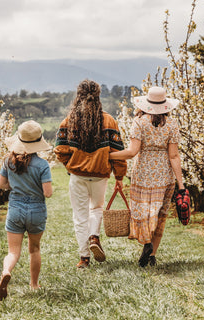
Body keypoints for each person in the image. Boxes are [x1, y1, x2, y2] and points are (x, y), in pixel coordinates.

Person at [54, 79, 127, 268]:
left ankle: (84, 258)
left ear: (78, 95)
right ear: (98, 96)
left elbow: (60, 150)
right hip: (100, 175)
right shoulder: (109, 121)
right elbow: (118, 152)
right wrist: (119, 176)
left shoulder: (69, 121)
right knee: (96, 208)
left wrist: (71, 164)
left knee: (80, 216)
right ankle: (94, 236)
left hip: (78, 175)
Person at [109, 86, 185, 267]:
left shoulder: (139, 122)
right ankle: (152, 255)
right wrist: (181, 184)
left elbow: (132, 152)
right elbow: (174, 156)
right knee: (159, 215)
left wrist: (108, 155)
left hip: (143, 173)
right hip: (164, 175)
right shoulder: (172, 124)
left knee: (143, 213)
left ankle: (147, 243)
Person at [0, 120, 52, 300]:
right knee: (34, 249)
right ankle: (34, 284)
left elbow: (1, 184)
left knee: (13, 251)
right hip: (36, 210)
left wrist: (17, 186)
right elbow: (47, 193)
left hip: (15, 209)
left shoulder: (8, 161)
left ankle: (6, 271)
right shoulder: (42, 165)